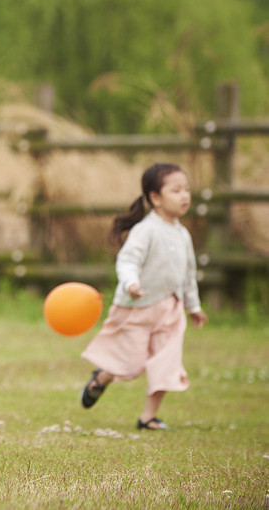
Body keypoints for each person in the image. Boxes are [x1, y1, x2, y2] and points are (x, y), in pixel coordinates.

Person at [79, 162, 208, 430]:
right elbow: (127, 262)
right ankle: (101, 378)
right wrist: (131, 283)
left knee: (166, 363)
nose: (184, 195)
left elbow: (187, 274)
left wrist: (193, 306)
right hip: (136, 307)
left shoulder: (183, 234)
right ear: (155, 198)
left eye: (186, 189)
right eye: (176, 190)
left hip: (169, 310)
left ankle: (148, 417)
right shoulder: (145, 230)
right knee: (129, 363)